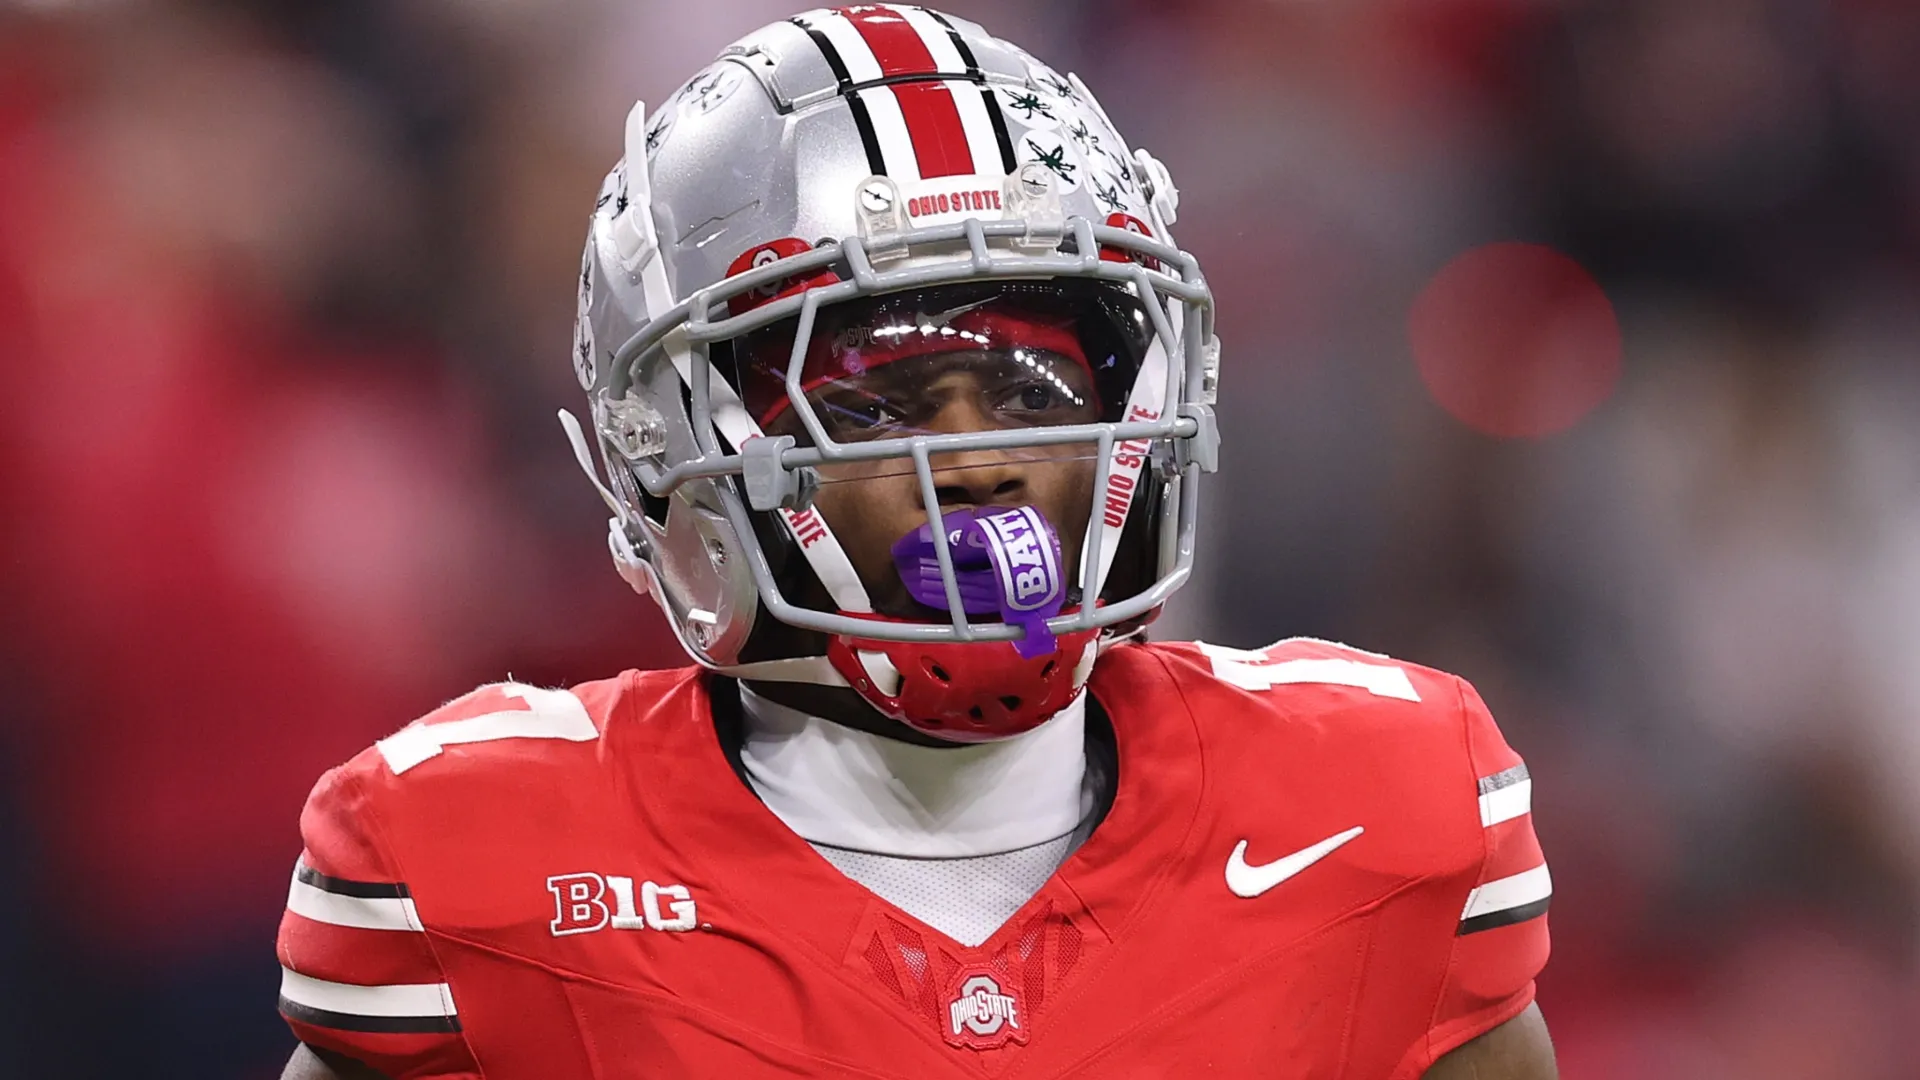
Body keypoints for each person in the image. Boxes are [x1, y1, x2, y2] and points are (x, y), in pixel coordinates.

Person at [276, 6, 1556, 1077]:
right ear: (672, 447)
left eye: (1030, 391)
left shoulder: (1379, 813)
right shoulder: (485, 864)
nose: (979, 459)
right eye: (873, 405)